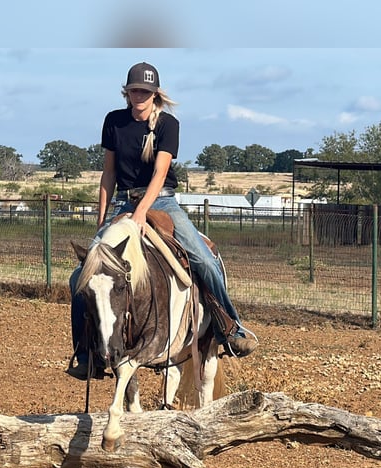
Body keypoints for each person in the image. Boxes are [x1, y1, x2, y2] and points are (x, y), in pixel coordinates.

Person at [67, 62, 257, 380]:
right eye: (134, 90)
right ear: (126, 93)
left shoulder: (168, 124)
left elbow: (159, 173)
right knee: (80, 277)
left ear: (155, 94)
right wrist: (101, 221)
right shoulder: (114, 121)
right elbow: (109, 172)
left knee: (204, 260)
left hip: (163, 201)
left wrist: (142, 213)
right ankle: (87, 355)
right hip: (123, 201)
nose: (138, 95)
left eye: (145, 91)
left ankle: (230, 327)